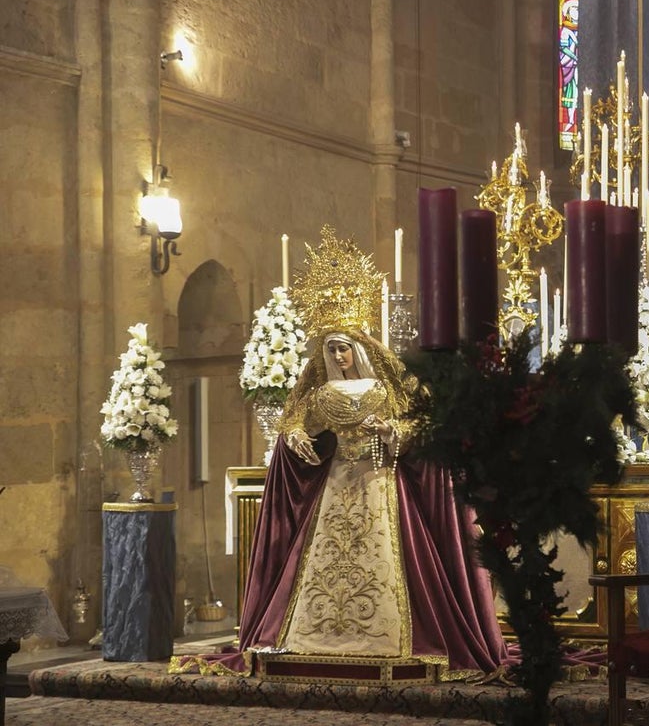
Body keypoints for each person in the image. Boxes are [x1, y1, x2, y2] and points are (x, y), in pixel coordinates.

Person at [174, 228, 507, 680]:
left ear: (358, 348)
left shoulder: (388, 385)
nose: (338, 355)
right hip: (337, 483)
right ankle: (315, 640)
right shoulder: (322, 391)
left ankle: (388, 640)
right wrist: (294, 436)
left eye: (344, 347)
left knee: (386, 561)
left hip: (382, 482)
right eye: (331, 348)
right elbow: (299, 421)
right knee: (323, 565)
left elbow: (420, 423)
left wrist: (392, 430)